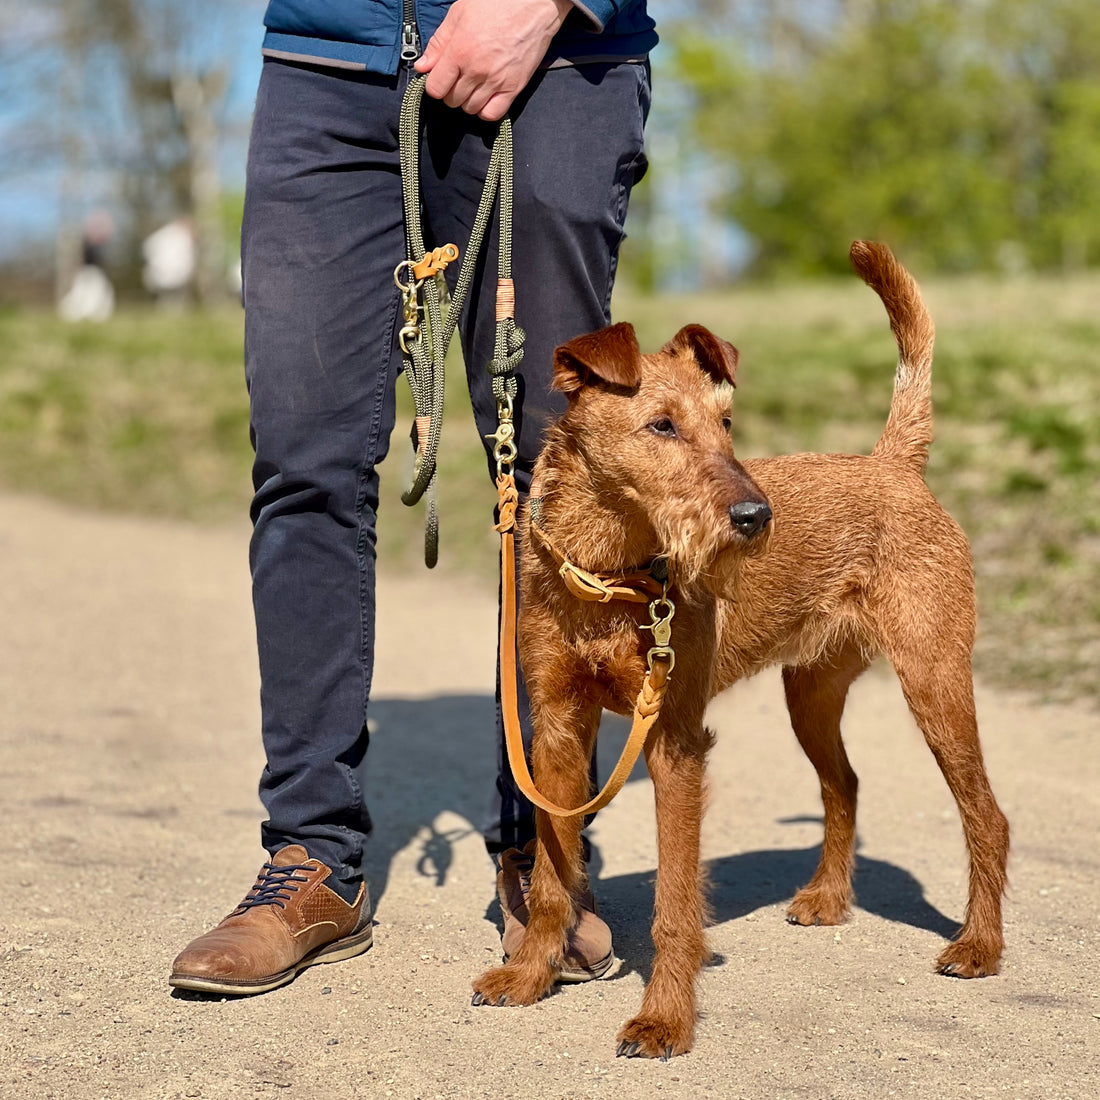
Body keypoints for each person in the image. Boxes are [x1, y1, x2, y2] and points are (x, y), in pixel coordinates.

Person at [170, 0, 656, 995]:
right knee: (302, 464)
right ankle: (309, 856)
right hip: (325, 60)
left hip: (554, 59)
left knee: (552, 477)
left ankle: (545, 847)